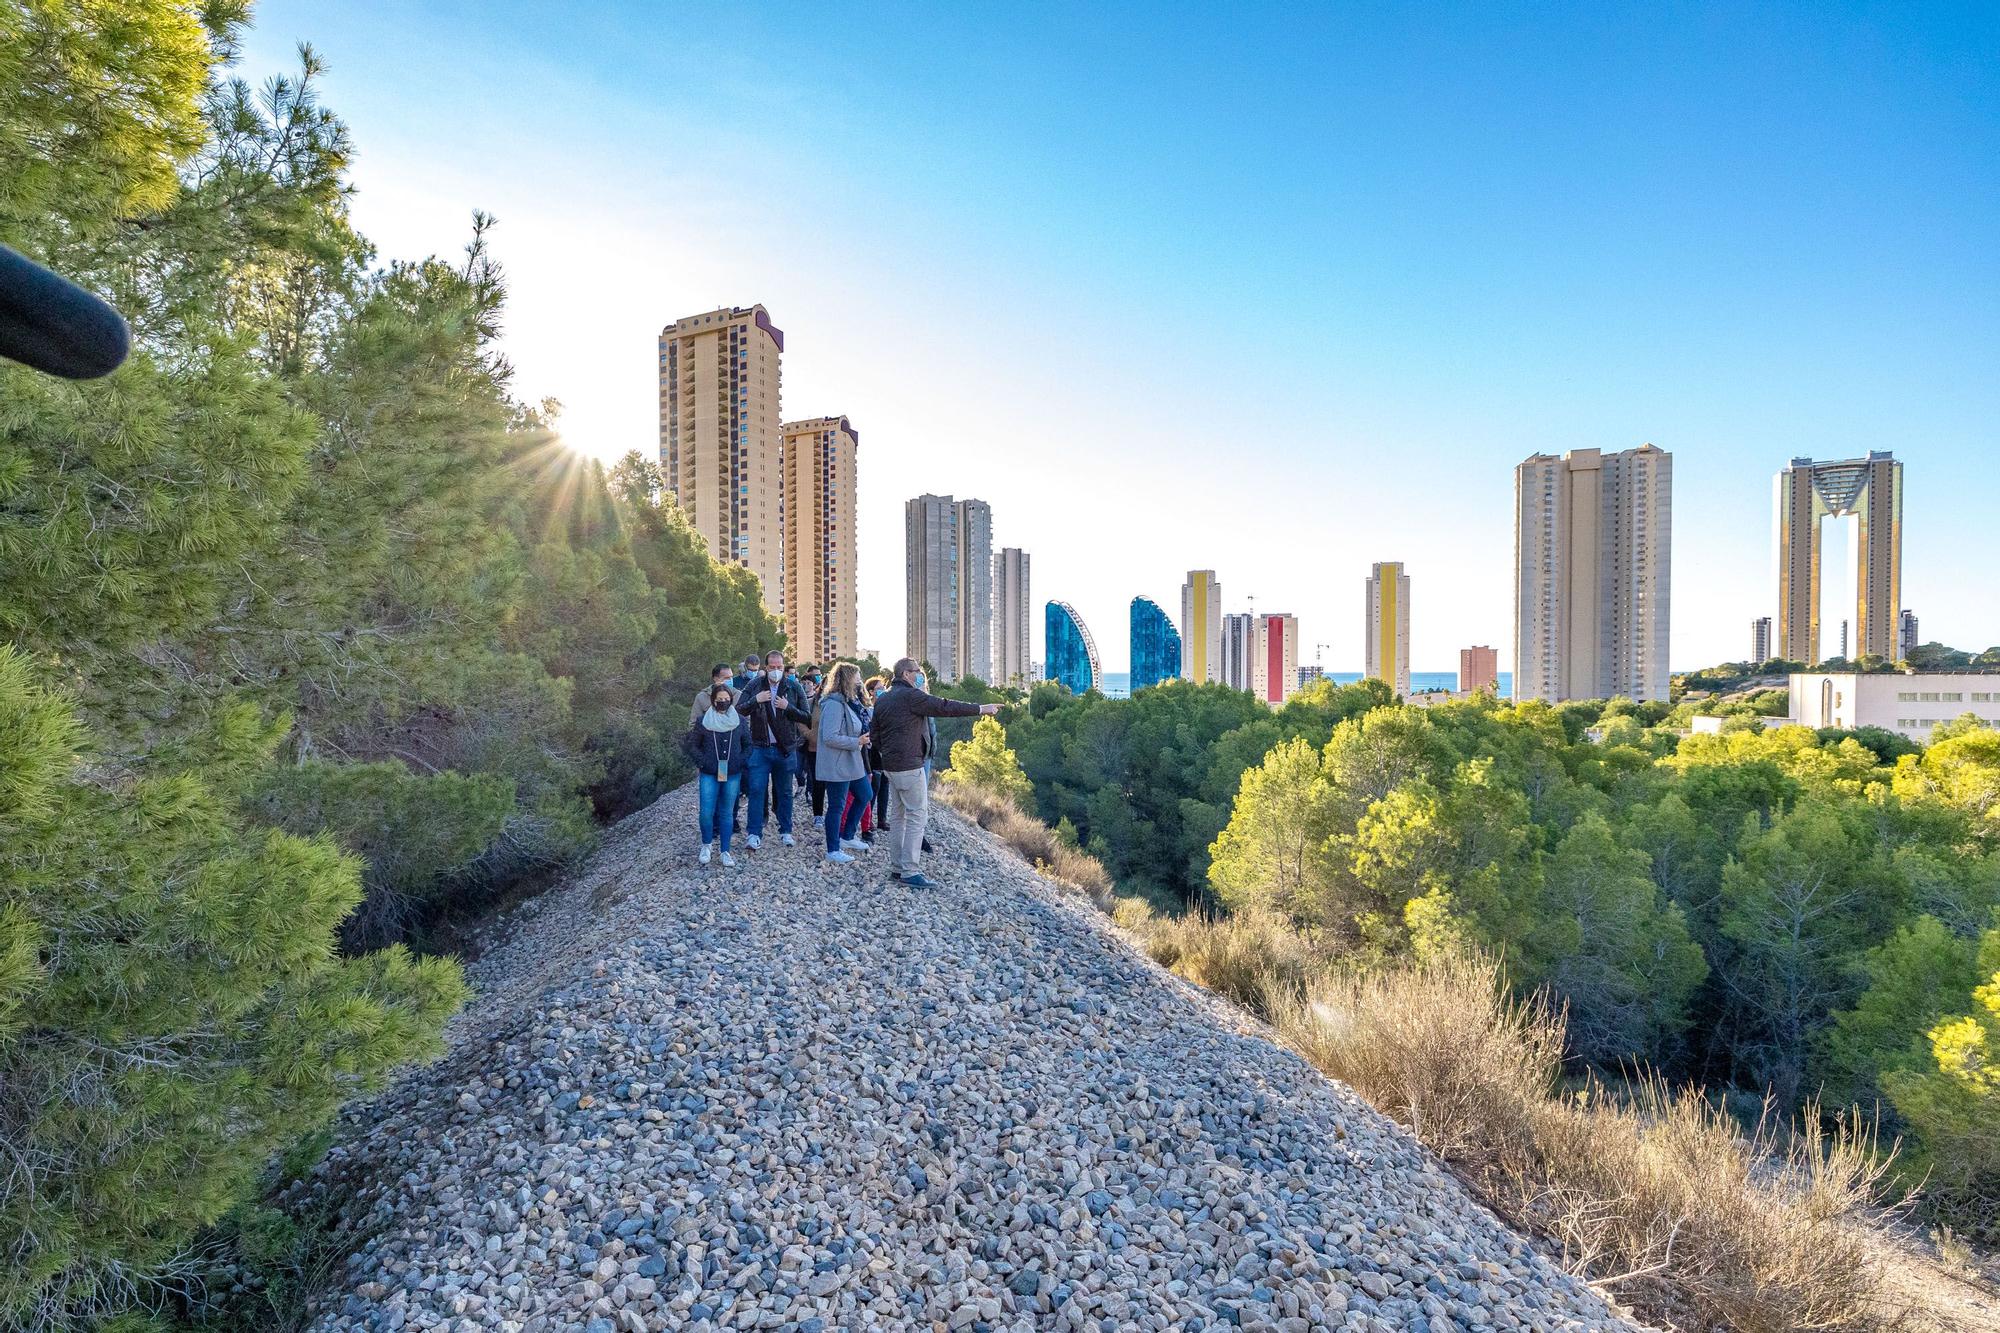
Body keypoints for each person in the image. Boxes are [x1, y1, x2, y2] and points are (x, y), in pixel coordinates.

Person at [868, 657, 998, 887]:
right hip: (909, 766)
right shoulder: (912, 696)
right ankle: (909, 871)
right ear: (906, 674)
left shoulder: (884, 699)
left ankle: (897, 867)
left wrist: (888, 754)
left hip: (890, 766)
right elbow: (944, 706)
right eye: (917, 671)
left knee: (898, 817)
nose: (920, 675)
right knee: (917, 816)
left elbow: (875, 734)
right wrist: (980, 709)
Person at [740, 649, 812, 849]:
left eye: (779, 667)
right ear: (766, 667)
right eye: (772, 667)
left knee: (785, 792)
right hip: (760, 748)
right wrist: (756, 700)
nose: (776, 671)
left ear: (784, 666)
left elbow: (807, 717)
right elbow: (740, 709)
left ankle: (786, 831)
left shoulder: (793, 686)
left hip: (785, 749)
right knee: (756, 790)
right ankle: (754, 833)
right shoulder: (755, 685)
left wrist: (788, 707)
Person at [813, 664, 873, 863]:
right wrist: (857, 742)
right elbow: (829, 737)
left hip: (852, 761)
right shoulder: (834, 704)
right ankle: (833, 849)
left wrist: (863, 738)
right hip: (837, 763)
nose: (859, 681)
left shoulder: (851, 702)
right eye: (856, 676)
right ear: (846, 678)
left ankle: (847, 836)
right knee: (836, 806)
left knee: (865, 794)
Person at [683, 681, 743, 866]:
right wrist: (703, 762)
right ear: (713, 700)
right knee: (706, 812)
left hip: (732, 773)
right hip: (709, 773)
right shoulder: (703, 722)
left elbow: (748, 744)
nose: (723, 702)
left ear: (731, 700)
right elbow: (692, 745)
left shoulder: (739, 721)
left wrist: (740, 761)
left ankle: (725, 850)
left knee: (727, 813)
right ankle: (706, 845)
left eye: (726, 699)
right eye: (719, 699)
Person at [691, 662, 733, 728]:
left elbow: (746, 721)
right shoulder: (702, 697)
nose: (730, 680)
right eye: (727, 678)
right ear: (715, 678)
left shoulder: (738, 695)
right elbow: (694, 723)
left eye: (731, 677)